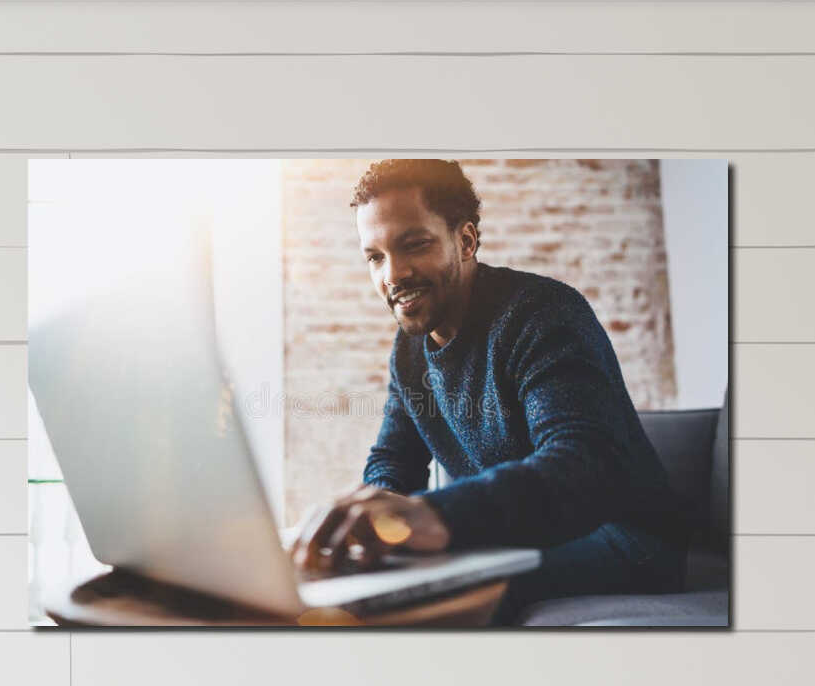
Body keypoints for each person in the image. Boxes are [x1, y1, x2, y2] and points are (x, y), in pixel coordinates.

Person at [292, 159, 689, 612]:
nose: (393, 275)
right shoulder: (409, 350)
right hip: (516, 538)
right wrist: (373, 516)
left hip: (626, 539)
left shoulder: (542, 314)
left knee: (427, 597)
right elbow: (393, 460)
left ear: (465, 240)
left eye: (414, 245)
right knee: (362, 579)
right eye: (375, 257)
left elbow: (582, 463)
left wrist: (438, 514)